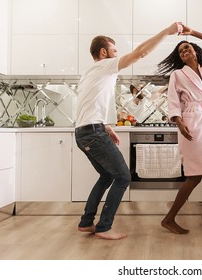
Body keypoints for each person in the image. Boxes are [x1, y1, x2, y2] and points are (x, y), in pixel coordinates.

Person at [75, 22, 180, 240]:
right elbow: (140, 52)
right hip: (92, 134)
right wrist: (166, 31)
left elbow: (88, 107)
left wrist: (105, 126)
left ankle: (86, 223)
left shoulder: (90, 73)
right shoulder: (103, 66)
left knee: (106, 176)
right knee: (123, 177)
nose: (117, 56)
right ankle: (104, 227)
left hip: (88, 131)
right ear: (103, 53)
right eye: (114, 51)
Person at [156, 24, 202, 234]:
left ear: (195, 51)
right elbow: (173, 102)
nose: (185, 51)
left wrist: (193, 33)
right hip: (193, 124)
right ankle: (169, 218)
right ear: (180, 58)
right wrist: (180, 124)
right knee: (194, 176)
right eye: (181, 51)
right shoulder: (178, 75)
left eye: (187, 47)